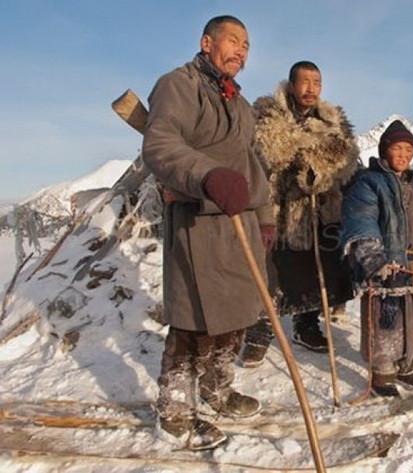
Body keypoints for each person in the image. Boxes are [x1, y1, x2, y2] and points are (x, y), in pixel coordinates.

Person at [141, 15, 275, 450]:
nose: (241, 50)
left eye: (247, 46)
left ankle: (217, 389)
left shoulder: (241, 104)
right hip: (198, 221)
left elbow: (254, 166)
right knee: (193, 319)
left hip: (242, 222)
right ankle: (175, 410)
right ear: (206, 42)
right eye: (232, 41)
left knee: (237, 314)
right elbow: (161, 145)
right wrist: (207, 174)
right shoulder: (177, 85)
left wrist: (266, 215)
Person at [238, 61, 359, 365]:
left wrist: (322, 169)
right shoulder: (268, 115)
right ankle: (259, 331)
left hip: (318, 210)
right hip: (276, 208)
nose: (311, 88)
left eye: (316, 83)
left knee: (313, 269)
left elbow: (347, 157)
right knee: (271, 272)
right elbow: (273, 152)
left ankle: (306, 325)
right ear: (291, 85)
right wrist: (312, 154)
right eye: (304, 82)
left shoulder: (334, 120)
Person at [340, 120, 413, 397]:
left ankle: (406, 365)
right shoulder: (369, 183)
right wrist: (370, 255)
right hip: (388, 263)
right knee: (386, 320)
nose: (403, 154)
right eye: (397, 148)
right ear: (384, 151)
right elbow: (362, 219)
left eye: (408, 149)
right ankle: (382, 374)